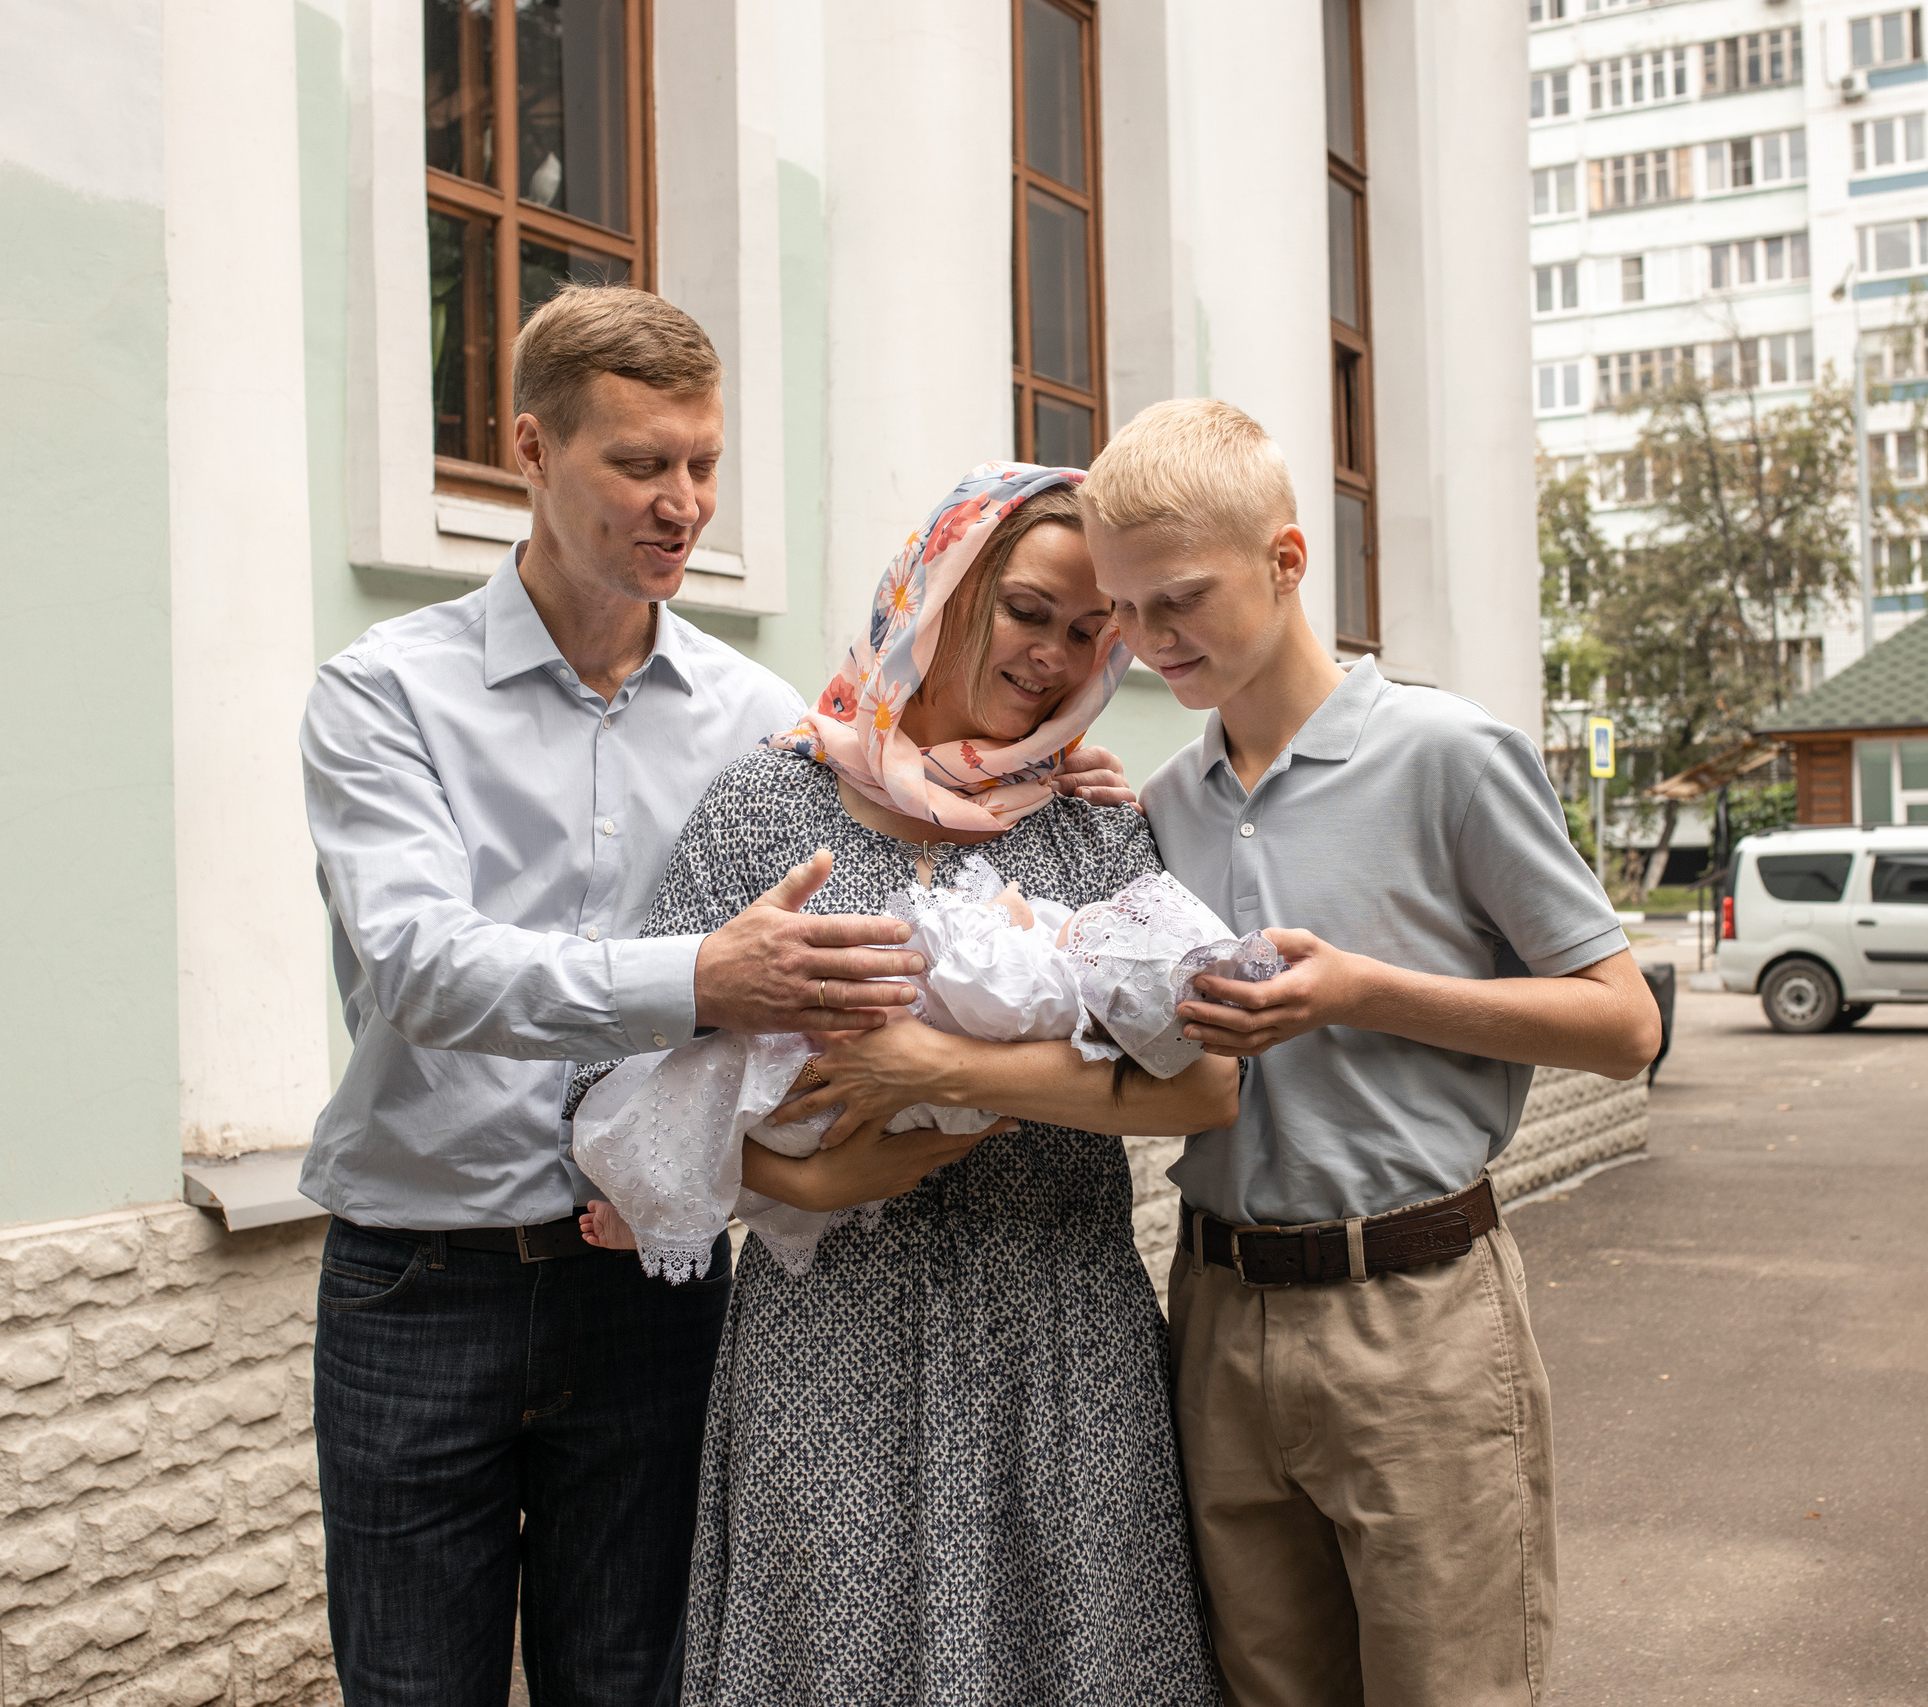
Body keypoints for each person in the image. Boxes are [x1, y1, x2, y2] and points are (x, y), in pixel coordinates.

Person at [296, 290, 1128, 1707]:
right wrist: (701, 976)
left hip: (652, 1282)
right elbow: (416, 963)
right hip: (422, 1270)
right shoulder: (386, 694)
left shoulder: (763, 720)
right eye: (639, 464)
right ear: (529, 450)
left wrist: (1061, 766)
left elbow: (918, 775)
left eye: (702, 464)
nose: (680, 502)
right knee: (411, 1682)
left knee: (632, 1678)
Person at [577, 463, 1231, 1704]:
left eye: (1093, 630)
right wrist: (802, 1171)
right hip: (828, 1345)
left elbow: (1199, 1086)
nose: (1055, 655)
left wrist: (938, 1064)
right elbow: (607, 1094)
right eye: (1029, 610)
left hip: (1060, 1333)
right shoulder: (769, 805)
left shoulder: (1095, 828)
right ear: (939, 591)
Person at [1080, 398, 1662, 1707]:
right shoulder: (1165, 803)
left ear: (1288, 561)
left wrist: (1361, 993)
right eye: (1124, 610)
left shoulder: (1449, 755)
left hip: (1419, 1309)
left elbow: (1625, 1021)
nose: (1148, 640)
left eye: (1178, 598)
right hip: (1218, 1309)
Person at [570, 855, 1275, 1277]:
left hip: (833, 1083)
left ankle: (651, 1199)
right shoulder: (766, 787)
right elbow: (624, 1026)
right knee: (716, 1098)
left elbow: (970, 969)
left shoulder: (1054, 984)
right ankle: (656, 1203)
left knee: (716, 1092)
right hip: (843, 1167)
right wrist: (809, 1186)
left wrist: (1000, 917)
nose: (1097, 914)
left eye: (1108, 925)